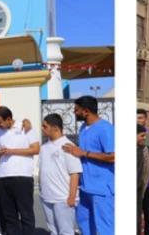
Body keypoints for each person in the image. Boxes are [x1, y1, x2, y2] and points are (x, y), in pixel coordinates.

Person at [64, 95, 114, 235]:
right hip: (85, 188)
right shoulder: (83, 128)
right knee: (84, 223)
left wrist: (84, 153)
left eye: (77, 110)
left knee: (105, 228)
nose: (74, 112)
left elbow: (114, 156)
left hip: (102, 189)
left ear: (86, 111)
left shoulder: (105, 128)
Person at [0, 106, 40, 234]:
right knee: (9, 214)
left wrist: (12, 151)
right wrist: (0, 152)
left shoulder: (25, 127)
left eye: (0, 122)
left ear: (9, 119)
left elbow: (35, 149)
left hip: (22, 176)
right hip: (3, 176)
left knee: (26, 213)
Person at [39, 113, 82, 235]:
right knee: (53, 231)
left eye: (45, 126)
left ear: (56, 128)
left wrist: (72, 197)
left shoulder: (68, 146)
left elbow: (74, 173)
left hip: (62, 198)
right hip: (46, 197)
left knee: (66, 231)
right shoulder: (44, 147)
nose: (42, 129)